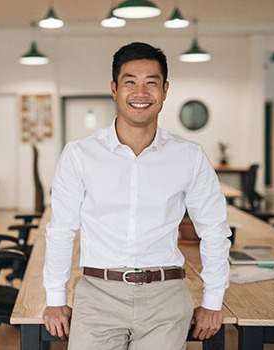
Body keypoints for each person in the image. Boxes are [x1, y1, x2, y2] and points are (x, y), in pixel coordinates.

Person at [43, 42, 231, 350]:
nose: (141, 93)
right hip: (98, 294)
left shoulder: (189, 156)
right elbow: (61, 230)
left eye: (151, 83)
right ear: (114, 89)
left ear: (165, 90)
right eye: (130, 82)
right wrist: (55, 297)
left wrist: (212, 301)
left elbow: (214, 230)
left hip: (165, 297)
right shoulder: (79, 154)